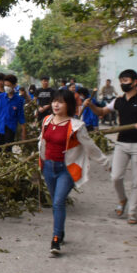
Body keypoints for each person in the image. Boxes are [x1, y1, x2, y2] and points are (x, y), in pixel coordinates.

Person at [39, 89, 109, 254]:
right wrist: (41, 163)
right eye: (54, 101)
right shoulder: (47, 121)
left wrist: (105, 161)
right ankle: (60, 230)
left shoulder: (76, 126)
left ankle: (55, 239)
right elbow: (42, 142)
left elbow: (90, 146)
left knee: (58, 202)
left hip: (66, 169)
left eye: (61, 102)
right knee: (56, 204)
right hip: (48, 167)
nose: (56, 104)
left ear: (68, 105)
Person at [86, 69, 137, 225]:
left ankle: (132, 212)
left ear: (135, 81)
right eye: (121, 81)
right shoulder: (118, 100)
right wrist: (91, 106)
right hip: (122, 143)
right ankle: (122, 199)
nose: (124, 83)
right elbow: (102, 111)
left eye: (127, 80)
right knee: (115, 177)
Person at [0, 74, 26, 145]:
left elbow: (21, 116)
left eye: (9, 85)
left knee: (7, 150)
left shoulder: (19, 100)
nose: (6, 87)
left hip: (10, 128)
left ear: (14, 85)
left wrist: (23, 131)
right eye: (5, 85)